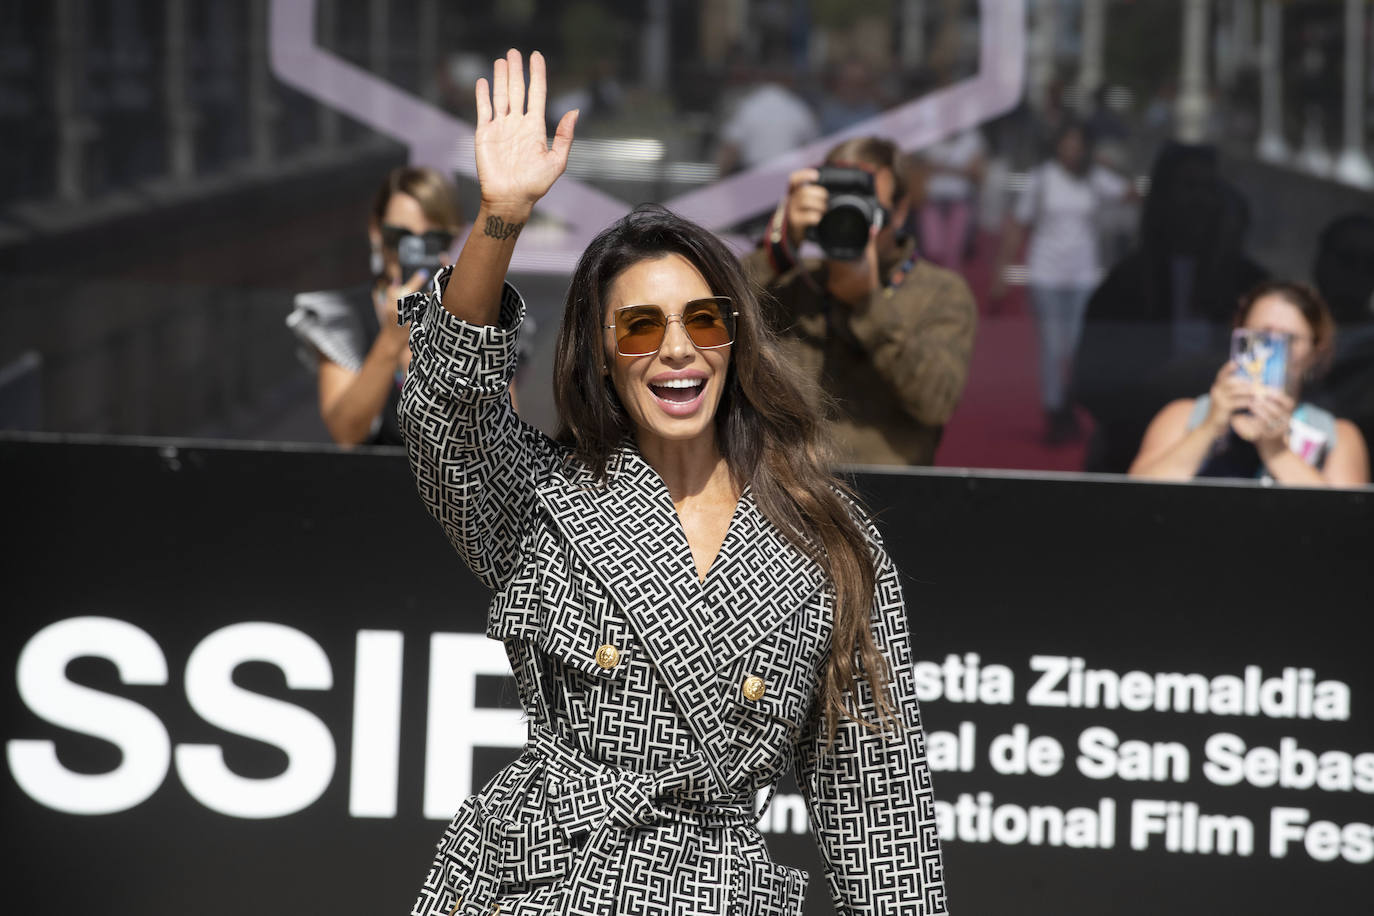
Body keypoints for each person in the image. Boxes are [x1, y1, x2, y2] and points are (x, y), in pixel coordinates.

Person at [400, 50, 948, 916]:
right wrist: (500, 218)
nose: (678, 350)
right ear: (602, 356)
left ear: (735, 339)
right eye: (641, 328)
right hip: (541, 885)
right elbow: (447, 405)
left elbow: (881, 808)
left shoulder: (827, 536)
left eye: (702, 319)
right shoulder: (543, 502)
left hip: (717, 892)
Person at [743, 136, 976, 466]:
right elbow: (720, 317)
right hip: (793, 490)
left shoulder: (940, 292)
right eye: (838, 206)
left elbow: (935, 402)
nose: (853, 220)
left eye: (868, 209)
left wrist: (870, 305)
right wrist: (780, 247)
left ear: (899, 212)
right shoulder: (794, 282)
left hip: (890, 495)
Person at [1071, 143, 1269, 472]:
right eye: (1187, 187)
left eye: (1208, 189)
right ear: (1163, 198)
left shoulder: (1251, 285)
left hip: (1235, 458)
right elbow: (1090, 381)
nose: (1198, 202)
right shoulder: (1126, 284)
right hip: (1135, 450)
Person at [1129, 280, 1368, 486]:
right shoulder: (1182, 417)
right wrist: (1210, 427)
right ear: (1238, 336)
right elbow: (1134, 498)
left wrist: (1276, 451)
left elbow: (1345, 521)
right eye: (1260, 336)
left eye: (1289, 339)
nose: (1271, 350)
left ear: (1316, 352)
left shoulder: (1337, 436)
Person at [286, 166, 460, 446]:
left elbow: (493, 438)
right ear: (376, 232)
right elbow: (346, 433)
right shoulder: (345, 317)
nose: (410, 253)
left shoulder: (473, 319)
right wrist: (392, 338)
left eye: (431, 241)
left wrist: (457, 329)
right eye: (400, 238)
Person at [991, 120, 1133, 446]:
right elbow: (1017, 224)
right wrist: (1002, 271)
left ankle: (1071, 405)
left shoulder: (1094, 178)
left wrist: (1116, 170)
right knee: (1054, 347)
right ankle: (1055, 410)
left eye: (1078, 143)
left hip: (1083, 274)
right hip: (1046, 273)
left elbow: (1130, 193)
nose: (1072, 150)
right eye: (1067, 143)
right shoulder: (1041, 179)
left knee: (1076, 346)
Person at [916, 127, 987, 274]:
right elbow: (920, 166)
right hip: (932, 202)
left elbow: (977, 172)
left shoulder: (972, 138)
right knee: (932, 250)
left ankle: (949, 292)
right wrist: (960, 170)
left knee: (953, 254)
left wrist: (940, 168)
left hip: (960, 201)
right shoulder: (929, 136)